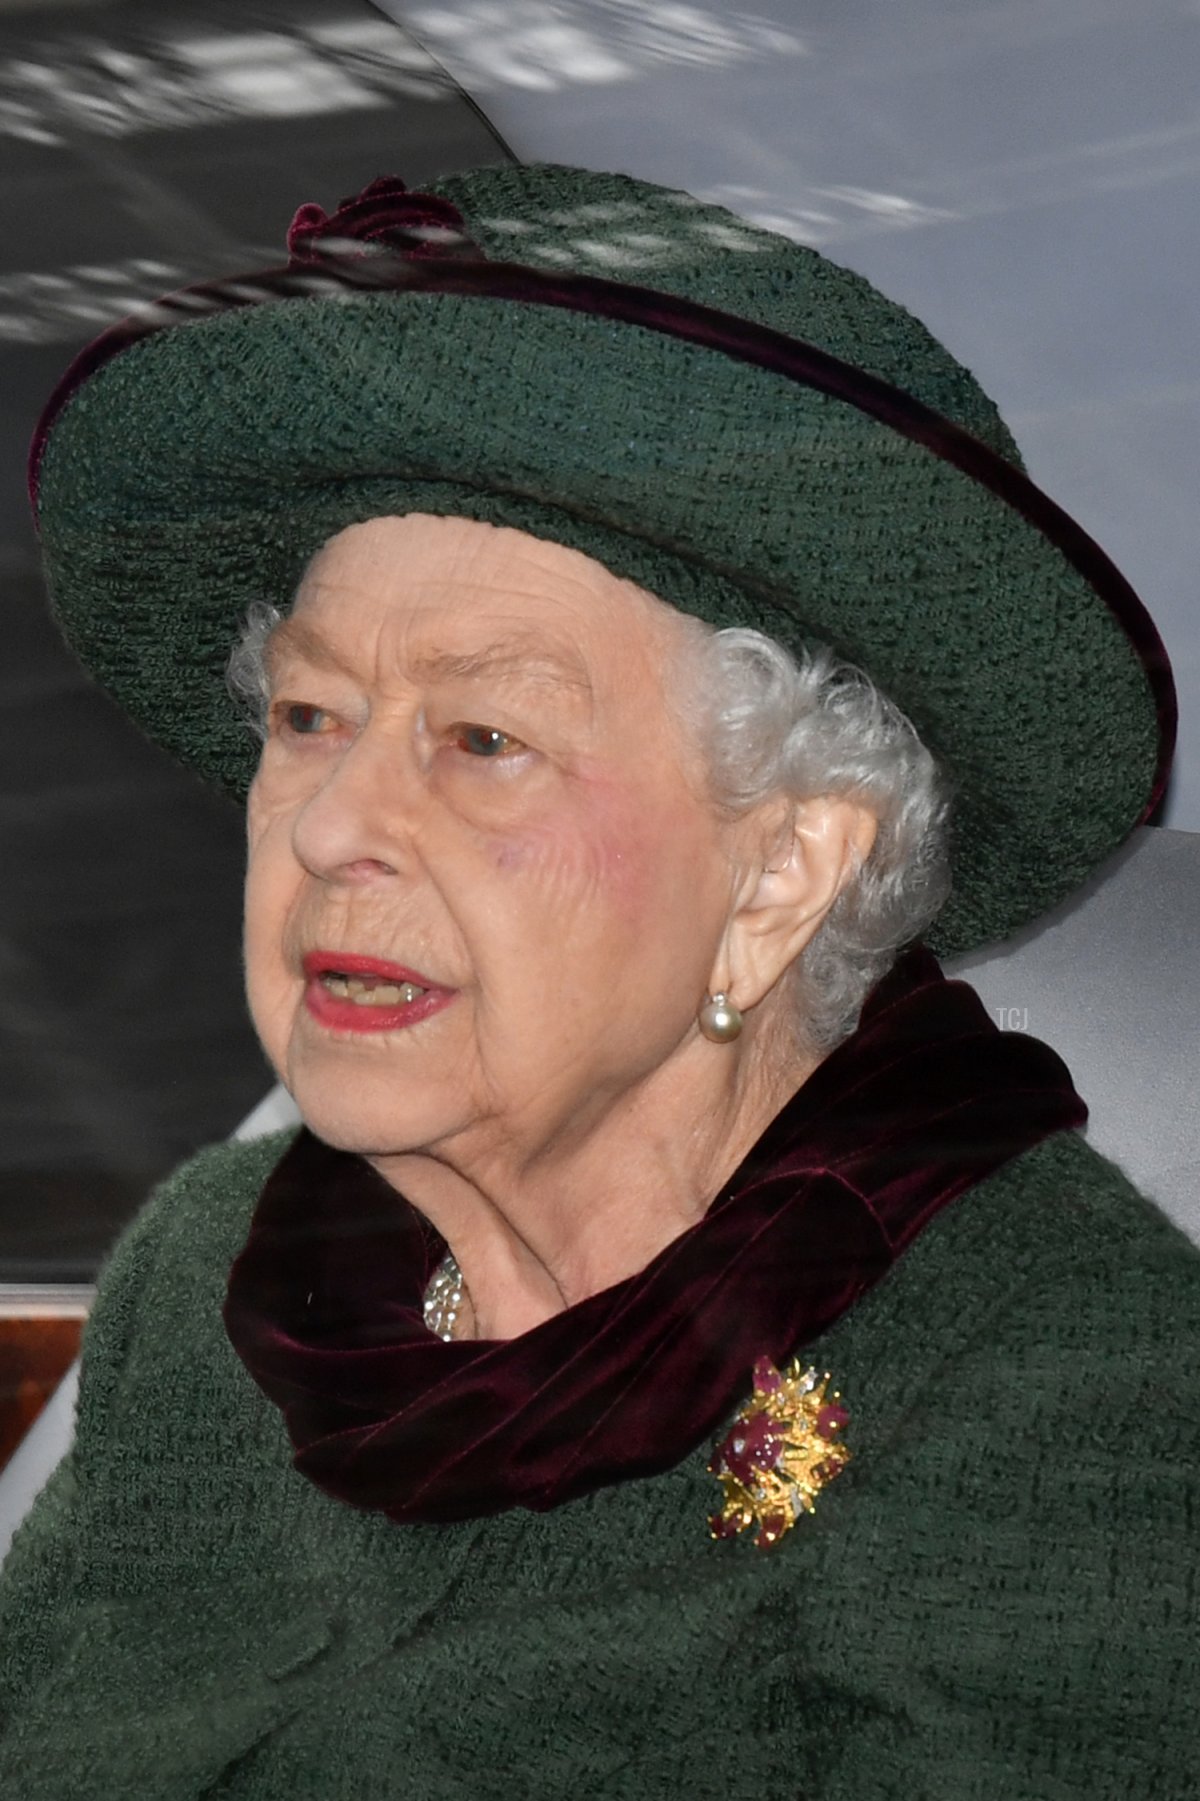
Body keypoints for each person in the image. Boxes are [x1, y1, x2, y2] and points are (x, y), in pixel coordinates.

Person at [0, 163, 1195, 1799]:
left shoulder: (1066, 1377)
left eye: (484, 740)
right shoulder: (222, 1265)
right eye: (307, 718)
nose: (335, 821)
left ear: (779, 873)